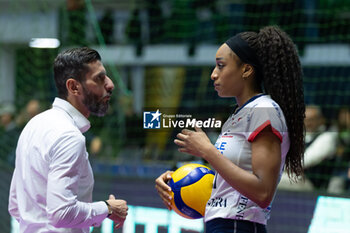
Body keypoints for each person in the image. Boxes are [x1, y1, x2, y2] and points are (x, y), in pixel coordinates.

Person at [155, 26, 305, 233]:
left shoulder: (264, 110)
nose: (213, 74)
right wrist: (178, 181)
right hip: (222, 224)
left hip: (240, 225)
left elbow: (263, 193)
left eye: (221, 66)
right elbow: (230, 182)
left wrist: (208, 151)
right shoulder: (238, 115)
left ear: (246, 70)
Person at [8, 47, 128, 232]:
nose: (110, 84)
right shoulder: (69, 136)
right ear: (73, 87)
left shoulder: (34, 124)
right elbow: (61, 213)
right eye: (99, 78)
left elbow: (15, 206)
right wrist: (108, 208)